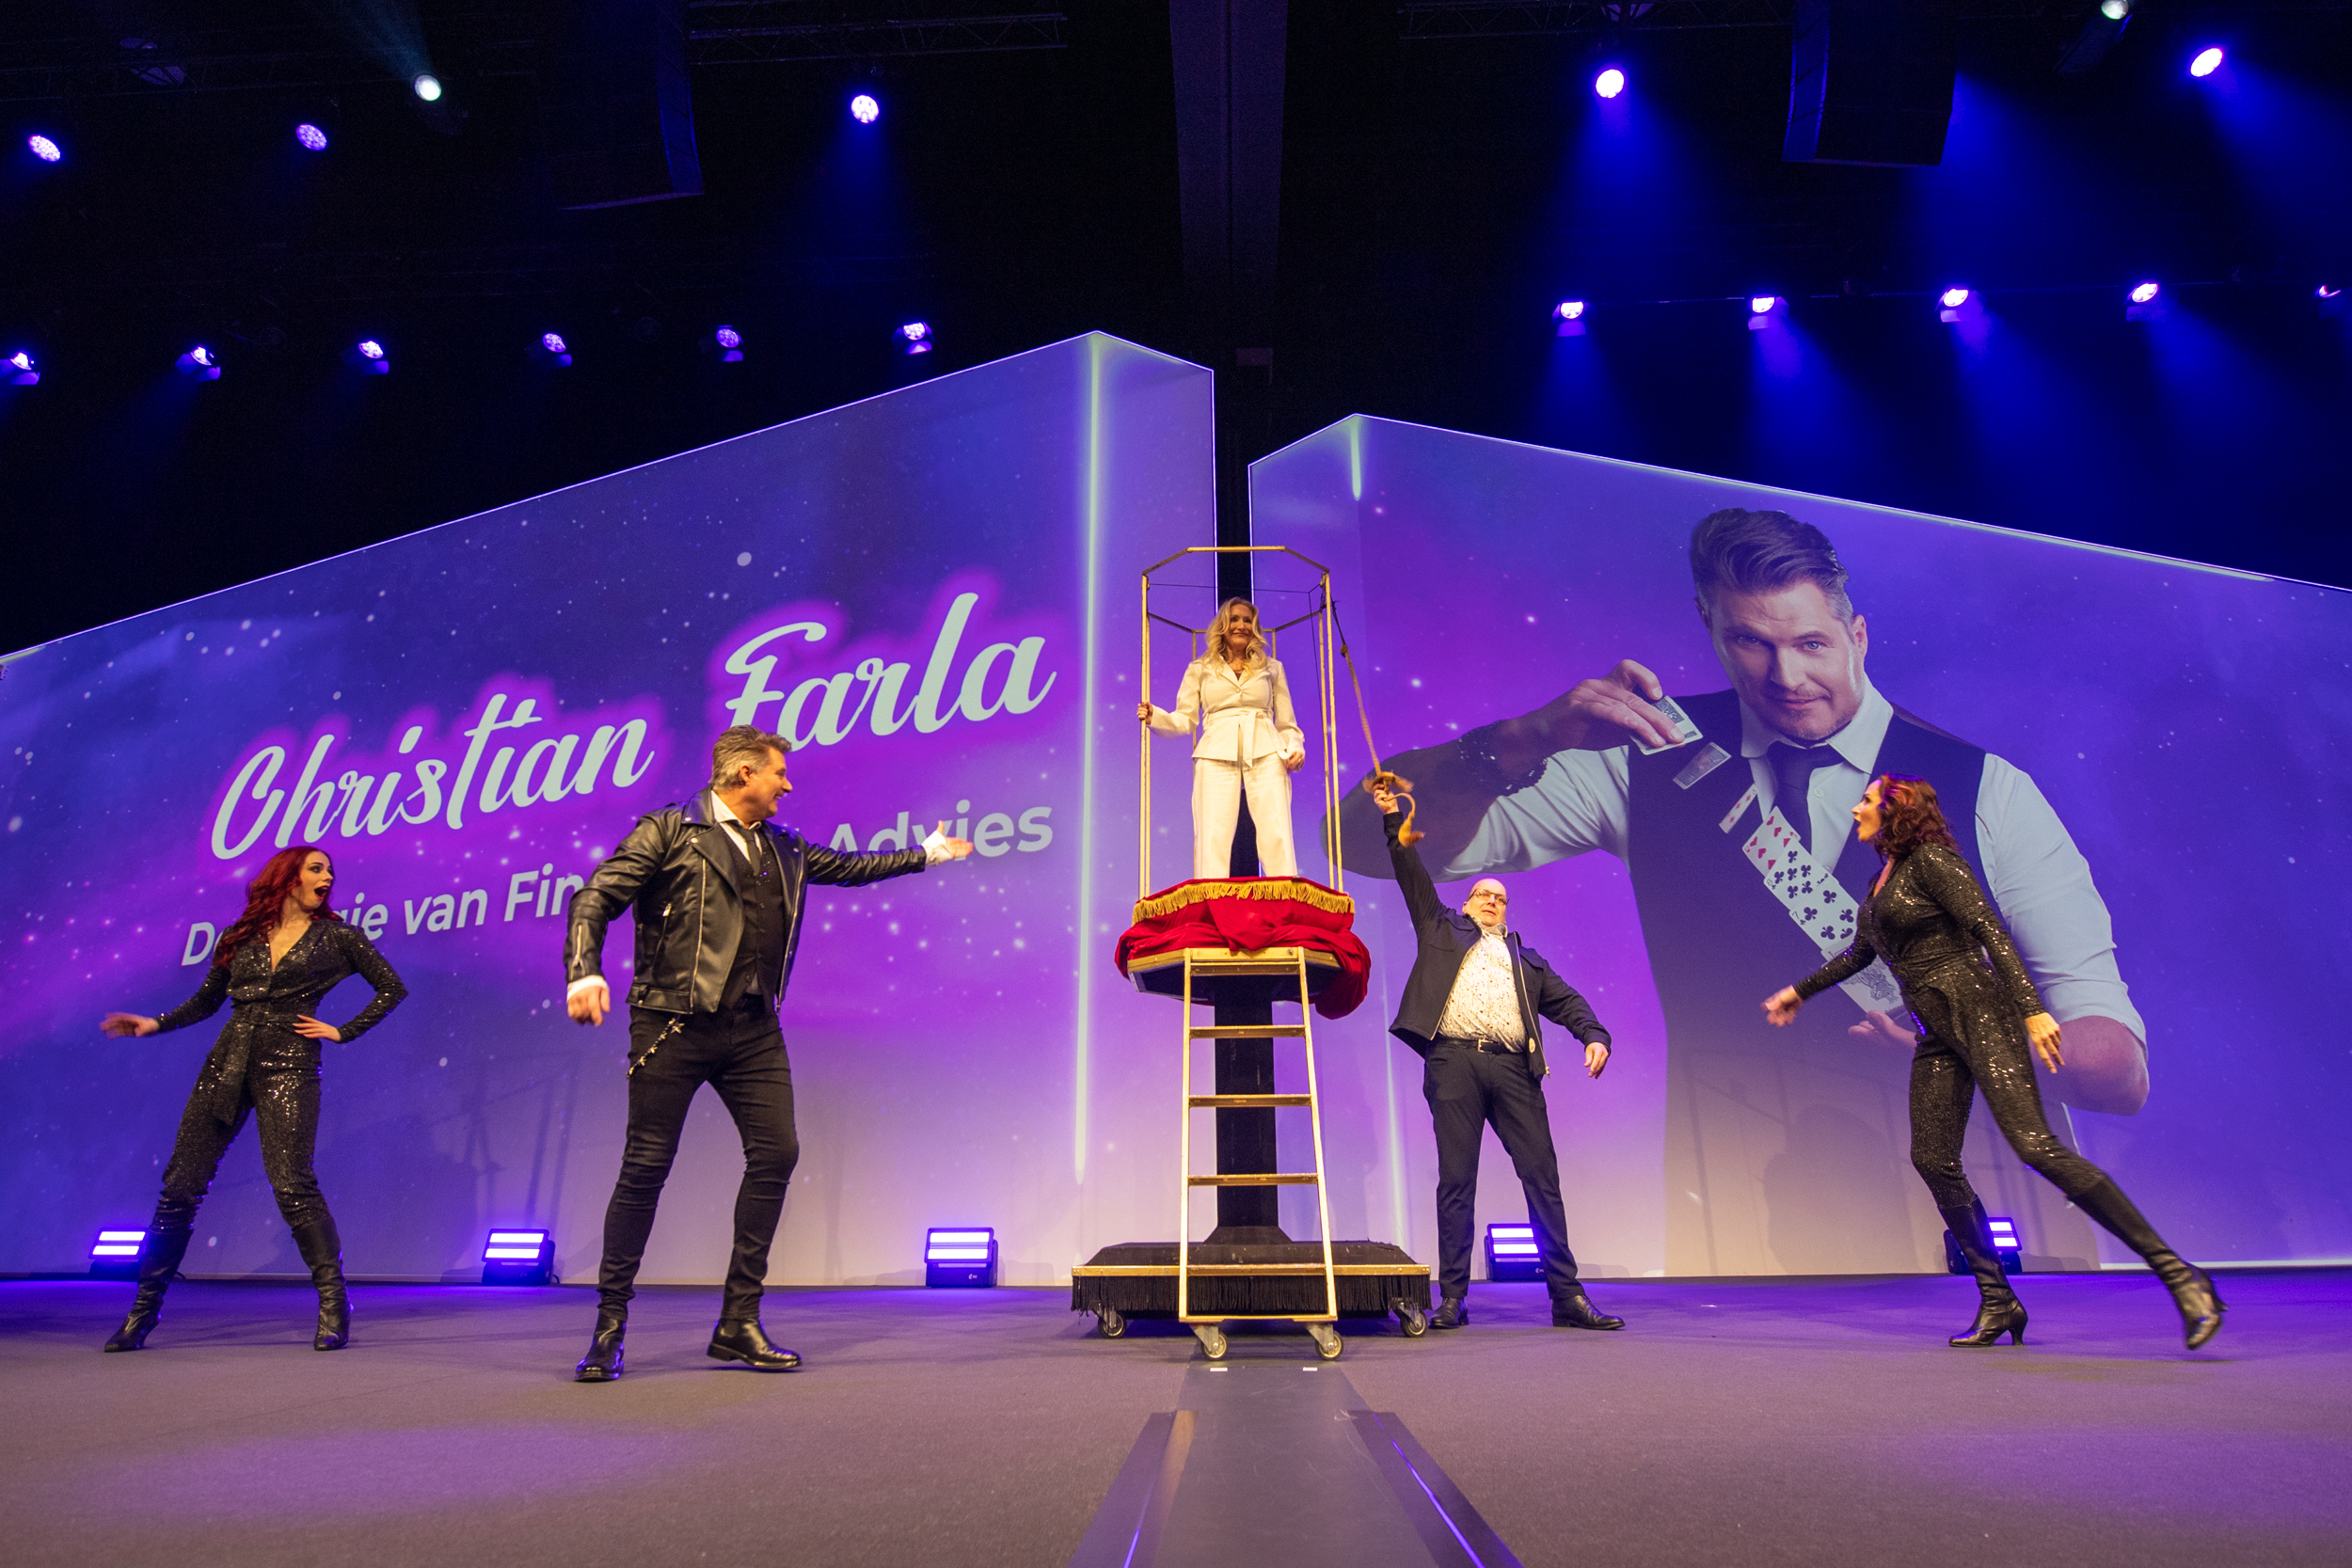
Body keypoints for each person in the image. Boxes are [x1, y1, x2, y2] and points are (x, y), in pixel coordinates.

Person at [1339, 507, 2144, 1276]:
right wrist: (1523, 739)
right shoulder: (1644, 756)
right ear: (1711, 628)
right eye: (1751, 642)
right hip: (1739, 1245)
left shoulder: (1991, 791)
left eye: (1812, 643)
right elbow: (1360, 839)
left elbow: (2119, 1071)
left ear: (1859, 635)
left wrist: (1973, 1042)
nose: (1787, 676)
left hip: (2004, 1237)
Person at [563, 724, 974, 1383]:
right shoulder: (669, 830)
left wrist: (924, 855)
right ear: (743, 774)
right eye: (778, 772)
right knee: (645, 1168)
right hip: (672, 1025)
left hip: (752, 1029)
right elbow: (595, 898)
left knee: (777, 1153)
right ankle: (608, 1328)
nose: (788, 783)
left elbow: (849, 868)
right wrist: (584, 970)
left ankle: (737, 1322)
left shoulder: (782, 845)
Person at [1765, 775, 2222, 1349]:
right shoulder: (1882, 882)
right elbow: (1860, 954)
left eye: (1867, 800)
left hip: (1981, 1012)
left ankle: (2181, 1276)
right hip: (1936, 1030)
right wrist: (1800, 992)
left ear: (1897, 811)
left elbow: (1990, 930)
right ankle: (1999, 1300)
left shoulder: (1933, 862)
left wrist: (2032, 1010)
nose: (1857, 809)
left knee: (2035, 1147)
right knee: (1933, 1159)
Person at [98, 846, 407, 1354]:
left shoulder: (339, 937)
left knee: (292, 1184)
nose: (328, 876)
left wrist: (343, 1030)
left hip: (289, 1065)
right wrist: (155, 1023)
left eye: (331, 871)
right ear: (287, 877)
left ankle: (334, 1305)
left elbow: (391, 988)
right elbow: (207, 1001)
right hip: (226, 1064)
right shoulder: (239, 937)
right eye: (317, 868)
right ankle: (142, 1311)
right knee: (179, 1187)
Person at [1372, 777, 1622, 1332]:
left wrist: (1594, 1035)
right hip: (1454, 1063)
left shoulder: (1526, 960)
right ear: (1467, 903)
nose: (1492, 900)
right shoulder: (1439, 927)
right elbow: (1410, 871)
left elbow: (1569, 1002)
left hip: (1513, 1070)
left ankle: (1567, 1296)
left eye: (1501, 898)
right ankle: (1453, 1298)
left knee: (1542, 1179)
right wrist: (1393, 822)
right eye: (1483, 894)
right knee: (1456, 1181)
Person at [1137, 595, 1307, 880]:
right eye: (1234, 619)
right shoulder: (1200, 668)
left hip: (1266, 748)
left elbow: (1287, 723)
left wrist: (1295, 746)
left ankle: (1284, 895)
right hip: (1216, 749)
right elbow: (1185, 718)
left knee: (1275, 828)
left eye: (1248, 620)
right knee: (1213, 832)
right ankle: (1213, 899)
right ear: (1222, 626)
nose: (1241, 625)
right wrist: (1157, 717)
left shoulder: (1272, 668)